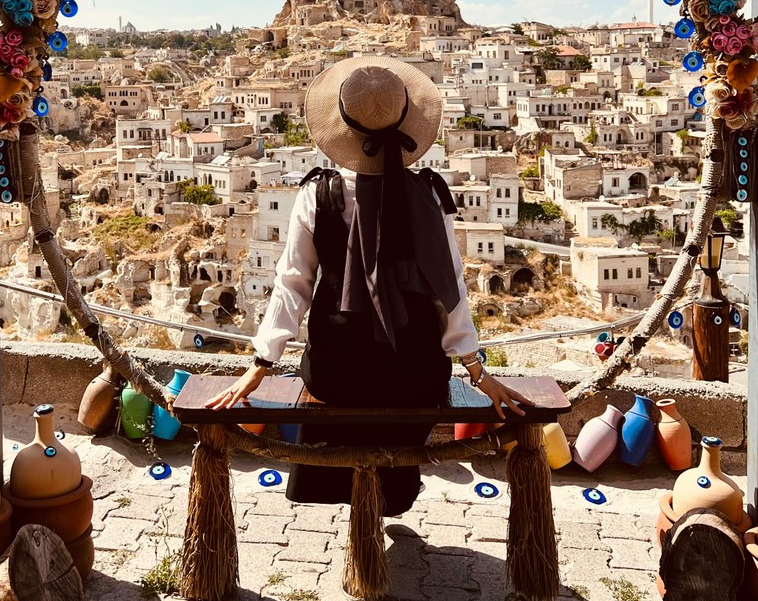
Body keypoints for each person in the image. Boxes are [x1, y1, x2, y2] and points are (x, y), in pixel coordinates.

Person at [206, 55, 531, 515]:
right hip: (415, 375)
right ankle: (387, 502)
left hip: (338, 374)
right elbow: (449, 288)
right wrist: (477, 372)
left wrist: (261, 365)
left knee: (337, 415)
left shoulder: (317, 195)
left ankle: (353, 511)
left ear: (343, 128)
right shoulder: (429, 195)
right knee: (400, 423)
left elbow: (293, 284)